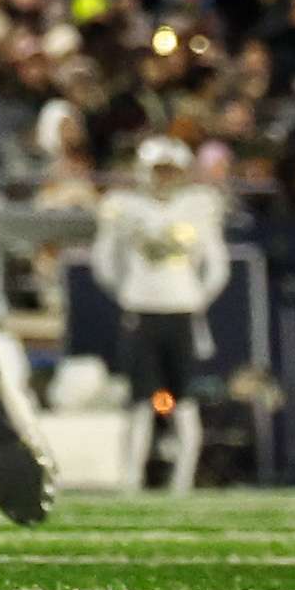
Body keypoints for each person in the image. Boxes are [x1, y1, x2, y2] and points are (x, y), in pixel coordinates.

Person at [95, 135, 229, 492]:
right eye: (159, 170)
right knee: (142, 399)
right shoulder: (124, 207)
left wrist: (195, 297)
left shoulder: (198, 206)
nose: (165, 178)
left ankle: (182, 482)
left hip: (181, 313)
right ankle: (131, 479)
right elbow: (104, 261)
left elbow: (217, 265)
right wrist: (128, 293)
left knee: (182, 401)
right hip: (142, 313)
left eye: (171, 170)